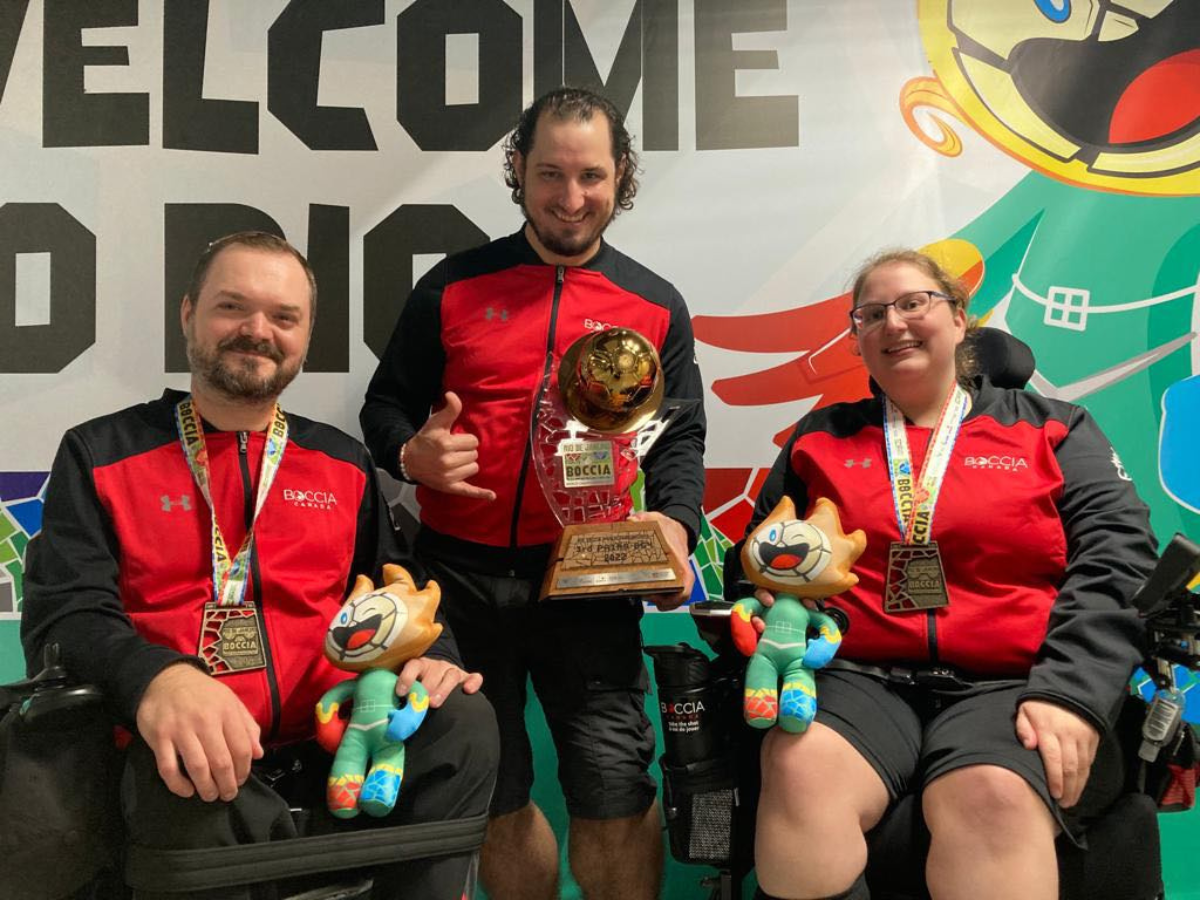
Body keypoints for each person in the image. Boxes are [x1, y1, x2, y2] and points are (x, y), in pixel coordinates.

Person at [20, 231, 499, 900]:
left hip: (337, 755)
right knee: (188, 759)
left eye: (283, 317)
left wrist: (435, 651)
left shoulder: (342, 462)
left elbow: (399, 592)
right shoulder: (100, 453)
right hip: (182, 774)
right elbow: (64, 616)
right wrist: (159, 680)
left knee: (462, 721)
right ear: (188, 314)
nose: (257, 331)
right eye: (232, 308)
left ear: (305, 336)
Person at [359, 87, 707, 900]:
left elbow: (680, 435)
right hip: (460, 580)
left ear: (622, 174)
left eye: (591, 174)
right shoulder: (452, 286)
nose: (571, 196)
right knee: (496, 796)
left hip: (590, 582)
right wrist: (412, 454)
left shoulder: (656, 306)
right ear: (517, 170)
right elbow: (384, 406)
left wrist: (679, 524)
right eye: (550, 172)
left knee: (616, 793)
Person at [725, 249, 1158, 900]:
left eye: (913, 303)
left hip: (1012, 683)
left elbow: (1119, 558)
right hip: (858, 677)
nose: (893, 324)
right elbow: (759, 564)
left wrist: (1072, 691)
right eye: (871, 315)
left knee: (993, 795)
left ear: (960, 319)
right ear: (859, 341)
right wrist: (764, 601)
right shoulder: (819, 439)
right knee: (800, 766)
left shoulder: (1054, 431)